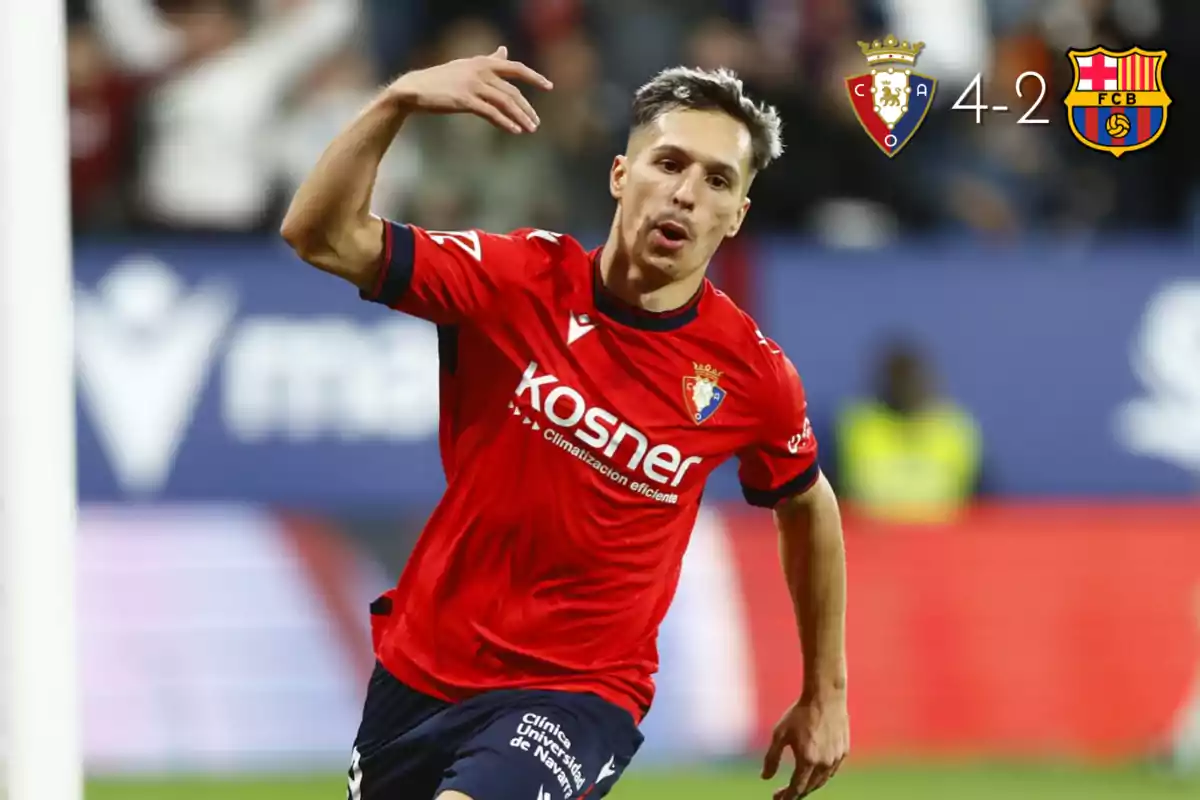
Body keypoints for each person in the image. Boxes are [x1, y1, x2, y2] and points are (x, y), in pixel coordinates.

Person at [281, 46, 850, 800]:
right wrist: (397, 104)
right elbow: (318, 235)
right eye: (669, 163)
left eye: (717, 180)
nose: (685, 194)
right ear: (621, 175)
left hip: (581, 694)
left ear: (736, 216)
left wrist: (826, 692)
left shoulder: (751, 375)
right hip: (424, 666)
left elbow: (807, 503)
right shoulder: (514, 281)